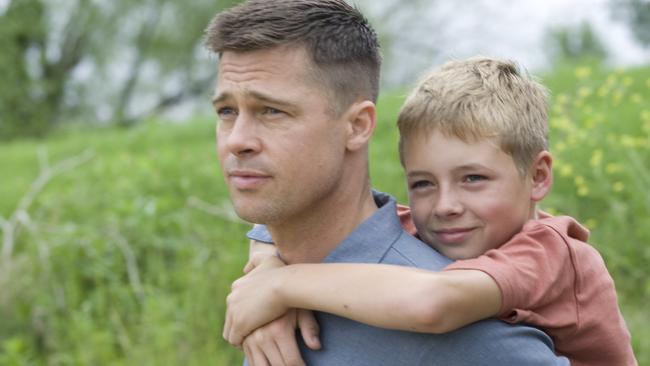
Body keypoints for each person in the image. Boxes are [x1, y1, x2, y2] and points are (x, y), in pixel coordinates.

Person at [208, 1, 570, 365]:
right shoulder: (261, 298)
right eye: (226, 111)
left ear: (357, 126)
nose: (237, 140)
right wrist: (269, 274)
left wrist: (279, 286)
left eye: (272, 111)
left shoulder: (465, 335)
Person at [222, 57, 638, 366]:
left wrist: (283, 287)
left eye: (473, 179)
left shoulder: (549, 254)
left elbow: (433, 304)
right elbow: (272, 224)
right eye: (423, 184)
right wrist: (267, 265)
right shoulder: (421, 225)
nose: (445, 206)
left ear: (538, 176)